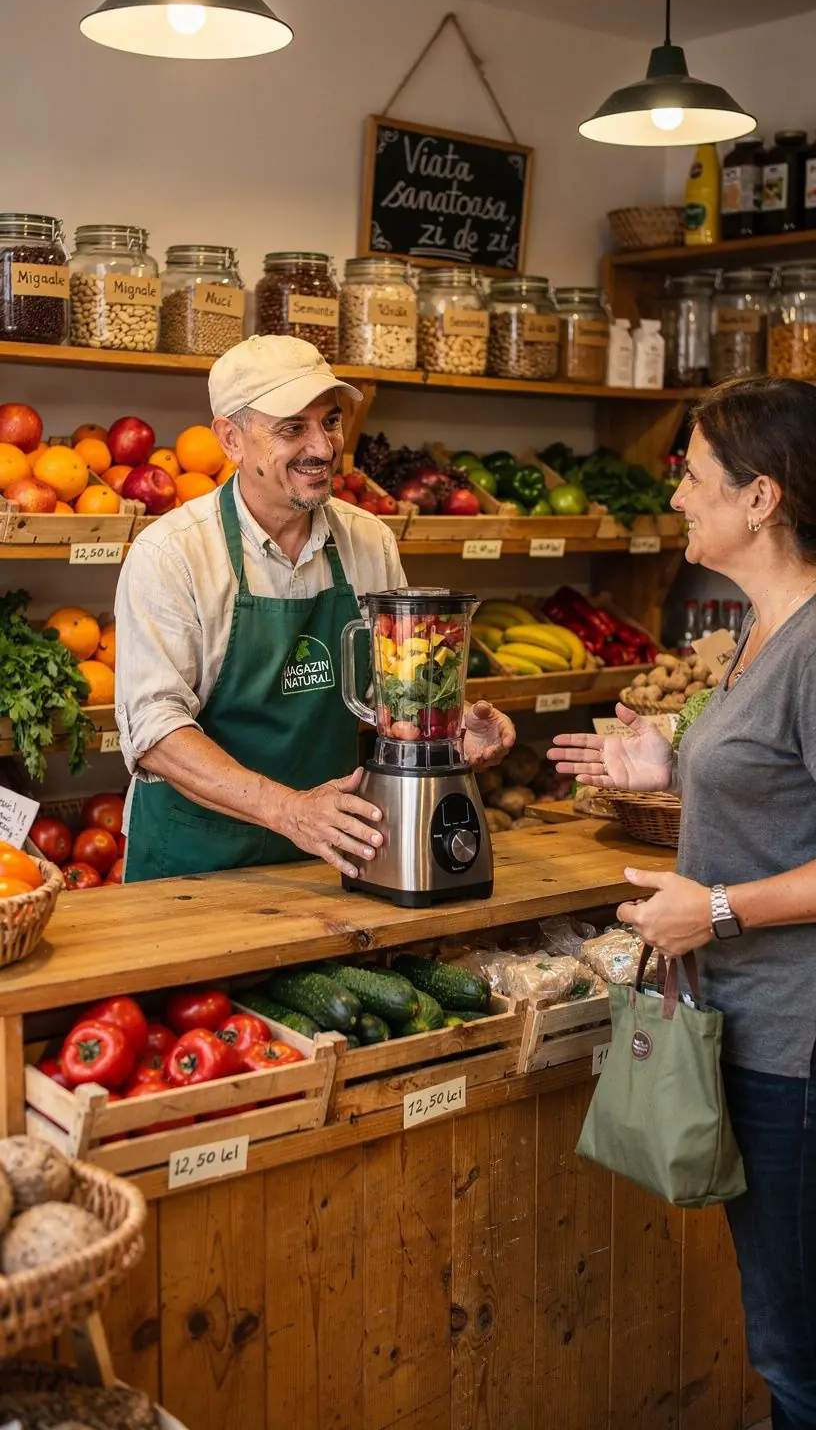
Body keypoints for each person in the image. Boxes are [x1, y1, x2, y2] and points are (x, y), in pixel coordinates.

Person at [549, 375, 816, 1430]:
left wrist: (712, 911)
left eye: (696, 477)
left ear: (762, 498)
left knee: (799, 1357)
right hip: (751, 1030)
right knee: (784, 1333)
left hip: (800, 1048)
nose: (679, 499)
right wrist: (672, 767)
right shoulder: (760, 631)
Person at [115, 334, 514, 883]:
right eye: (291, 428)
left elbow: (389, 693)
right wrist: (287, 809)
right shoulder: (172, 554)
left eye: (329, 421)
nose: (324, 448)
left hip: (327, 851)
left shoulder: (368, 541)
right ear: (231, 438)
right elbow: (155, 733)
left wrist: (443, 729)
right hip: (195, 864)